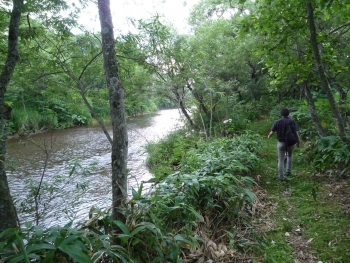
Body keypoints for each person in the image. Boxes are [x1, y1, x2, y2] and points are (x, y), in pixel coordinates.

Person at [267, 108, 300, 181]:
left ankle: (281, 177)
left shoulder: (278, 121)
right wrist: (298, 141)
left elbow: (272, 132)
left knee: (281, 160)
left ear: (281, 114)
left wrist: (269, 136)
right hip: (291, 142)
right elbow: (296, 133)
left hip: (281, 143)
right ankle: (288, 171)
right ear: (288, 114)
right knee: (290, 155)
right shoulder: (292, 121)